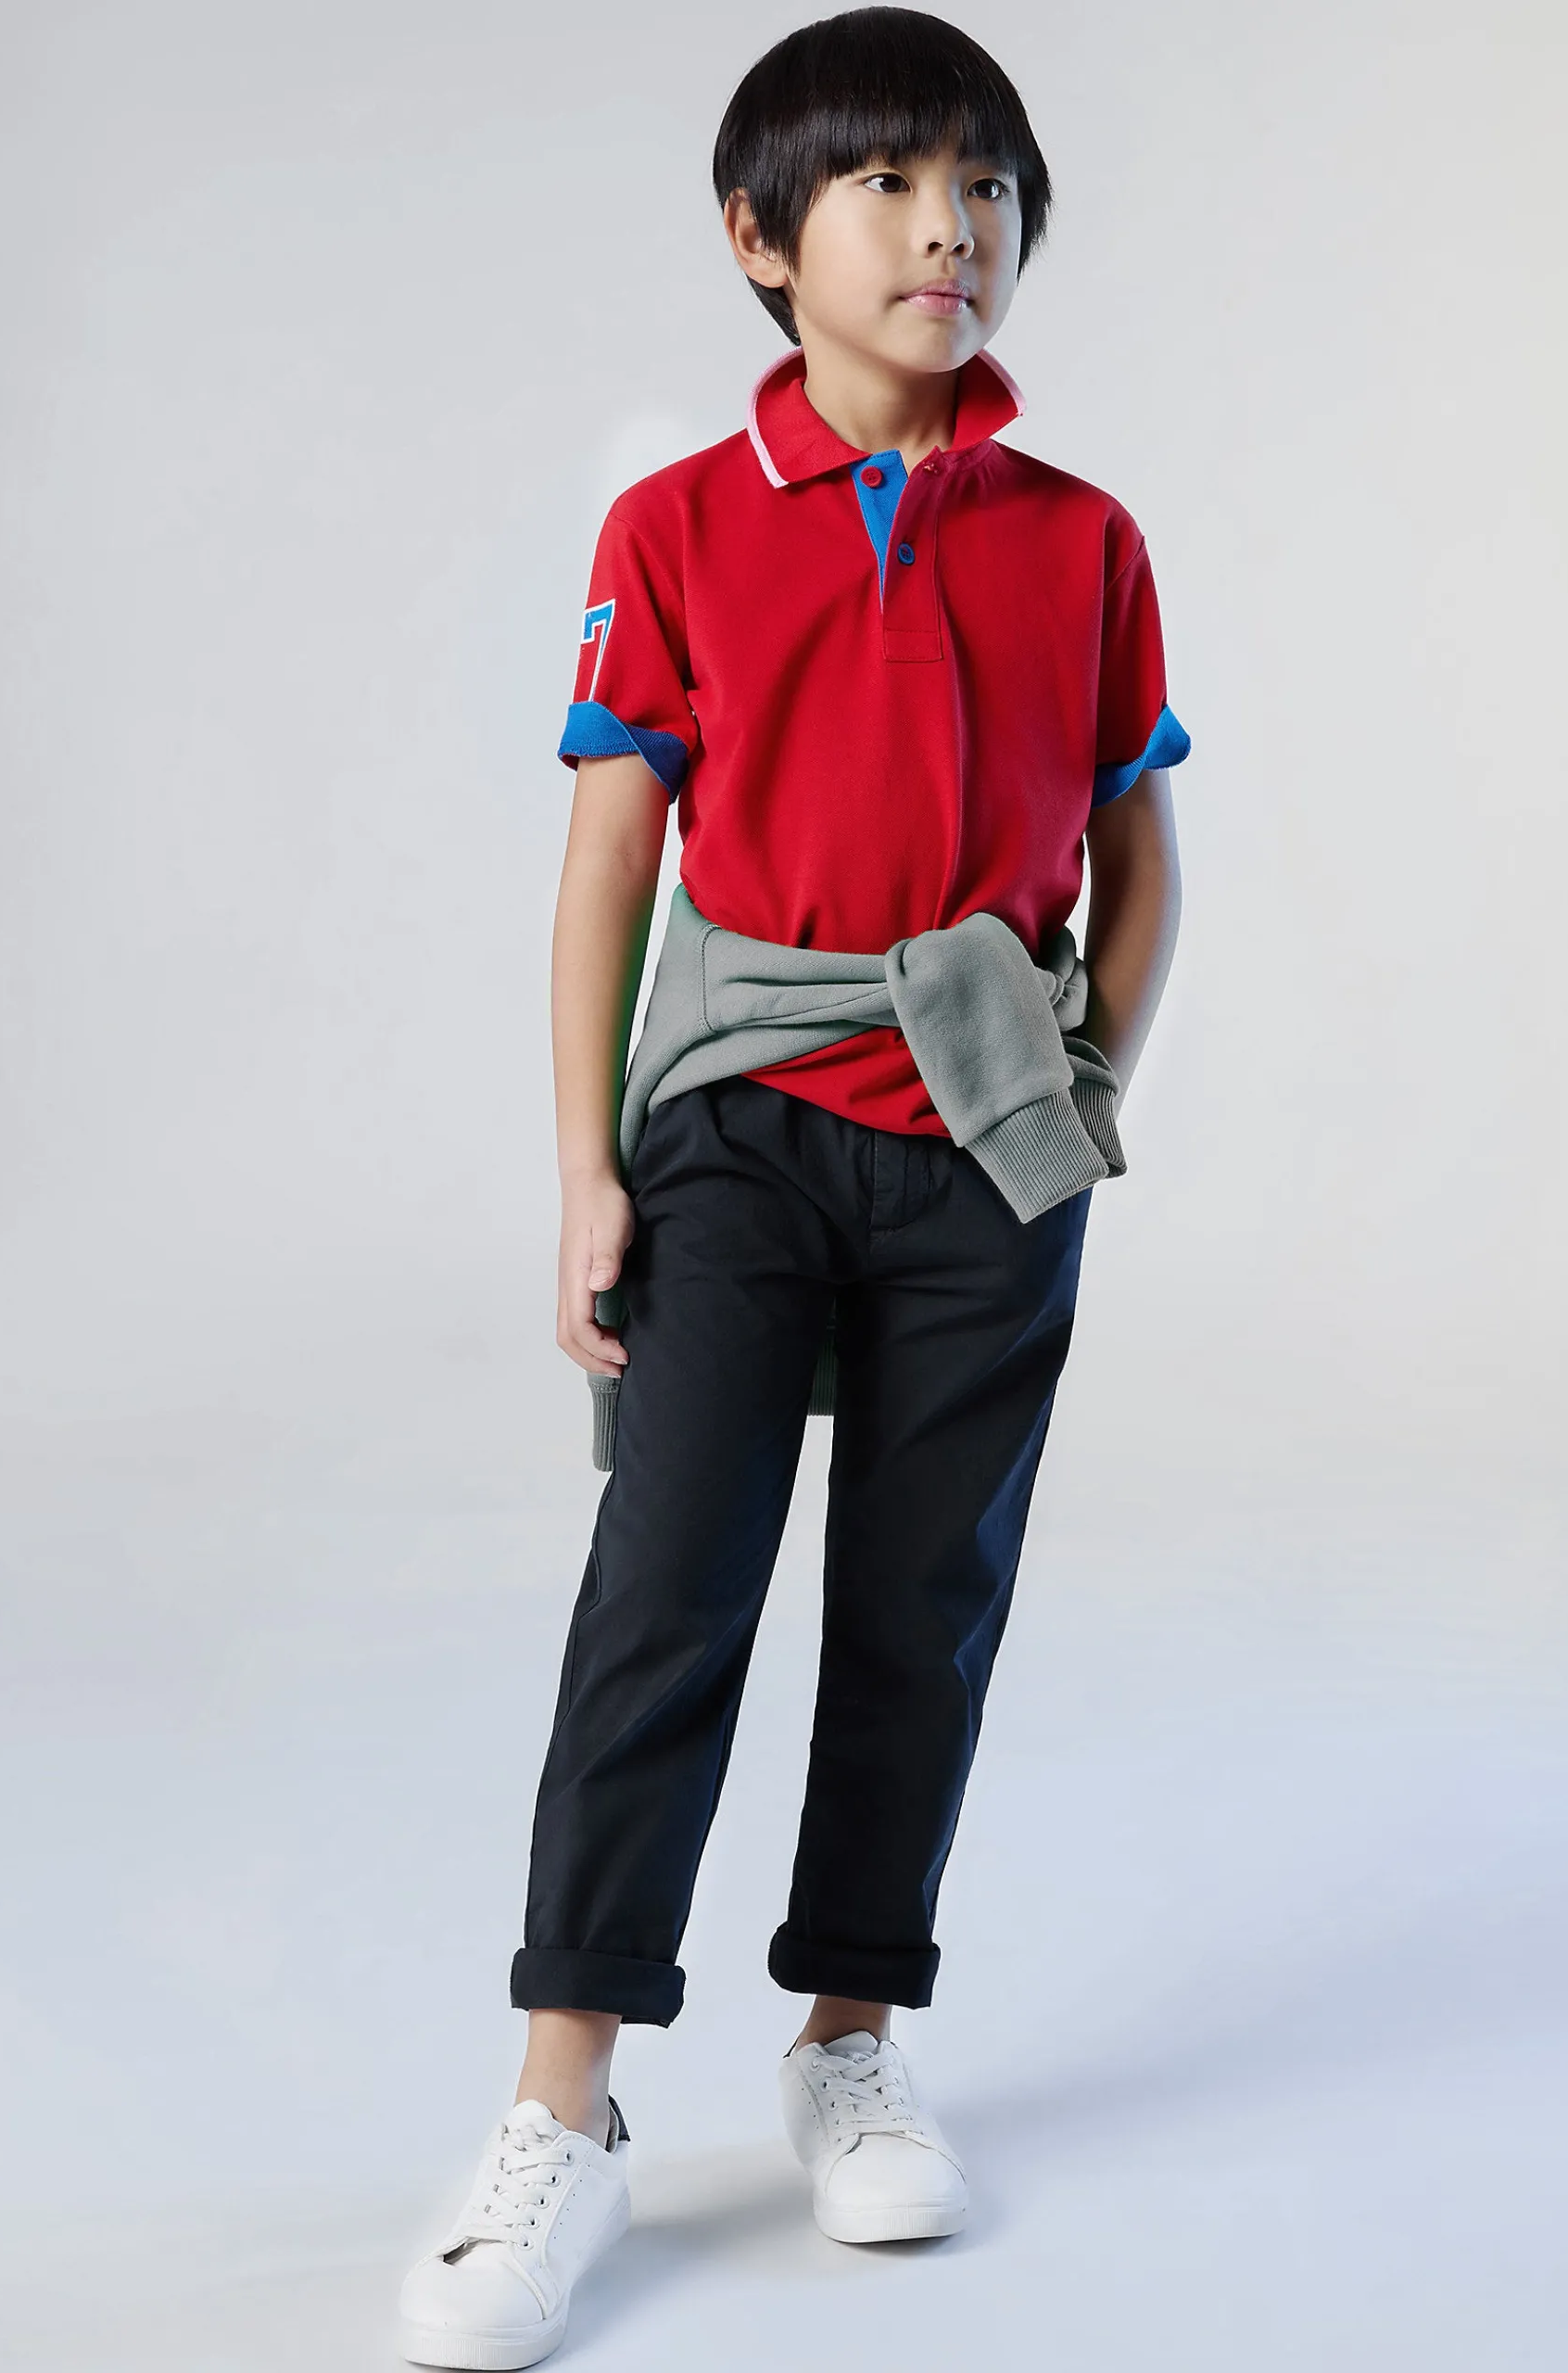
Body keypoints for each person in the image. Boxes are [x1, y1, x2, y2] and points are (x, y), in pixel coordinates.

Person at [398, 8, 1188, 2364]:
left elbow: (1143, 849)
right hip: (736, 1114)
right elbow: (608, 862)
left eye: (988, 187)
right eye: (891, 185)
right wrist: (587, 1165)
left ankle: (851, 2032)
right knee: (669, 1586)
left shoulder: (1084, 539)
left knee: (924, 1600)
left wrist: (1075, 1090)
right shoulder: (675, 526)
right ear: (763, 239)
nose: (954, 229)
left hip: (984, 1137)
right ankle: (562, 2105)